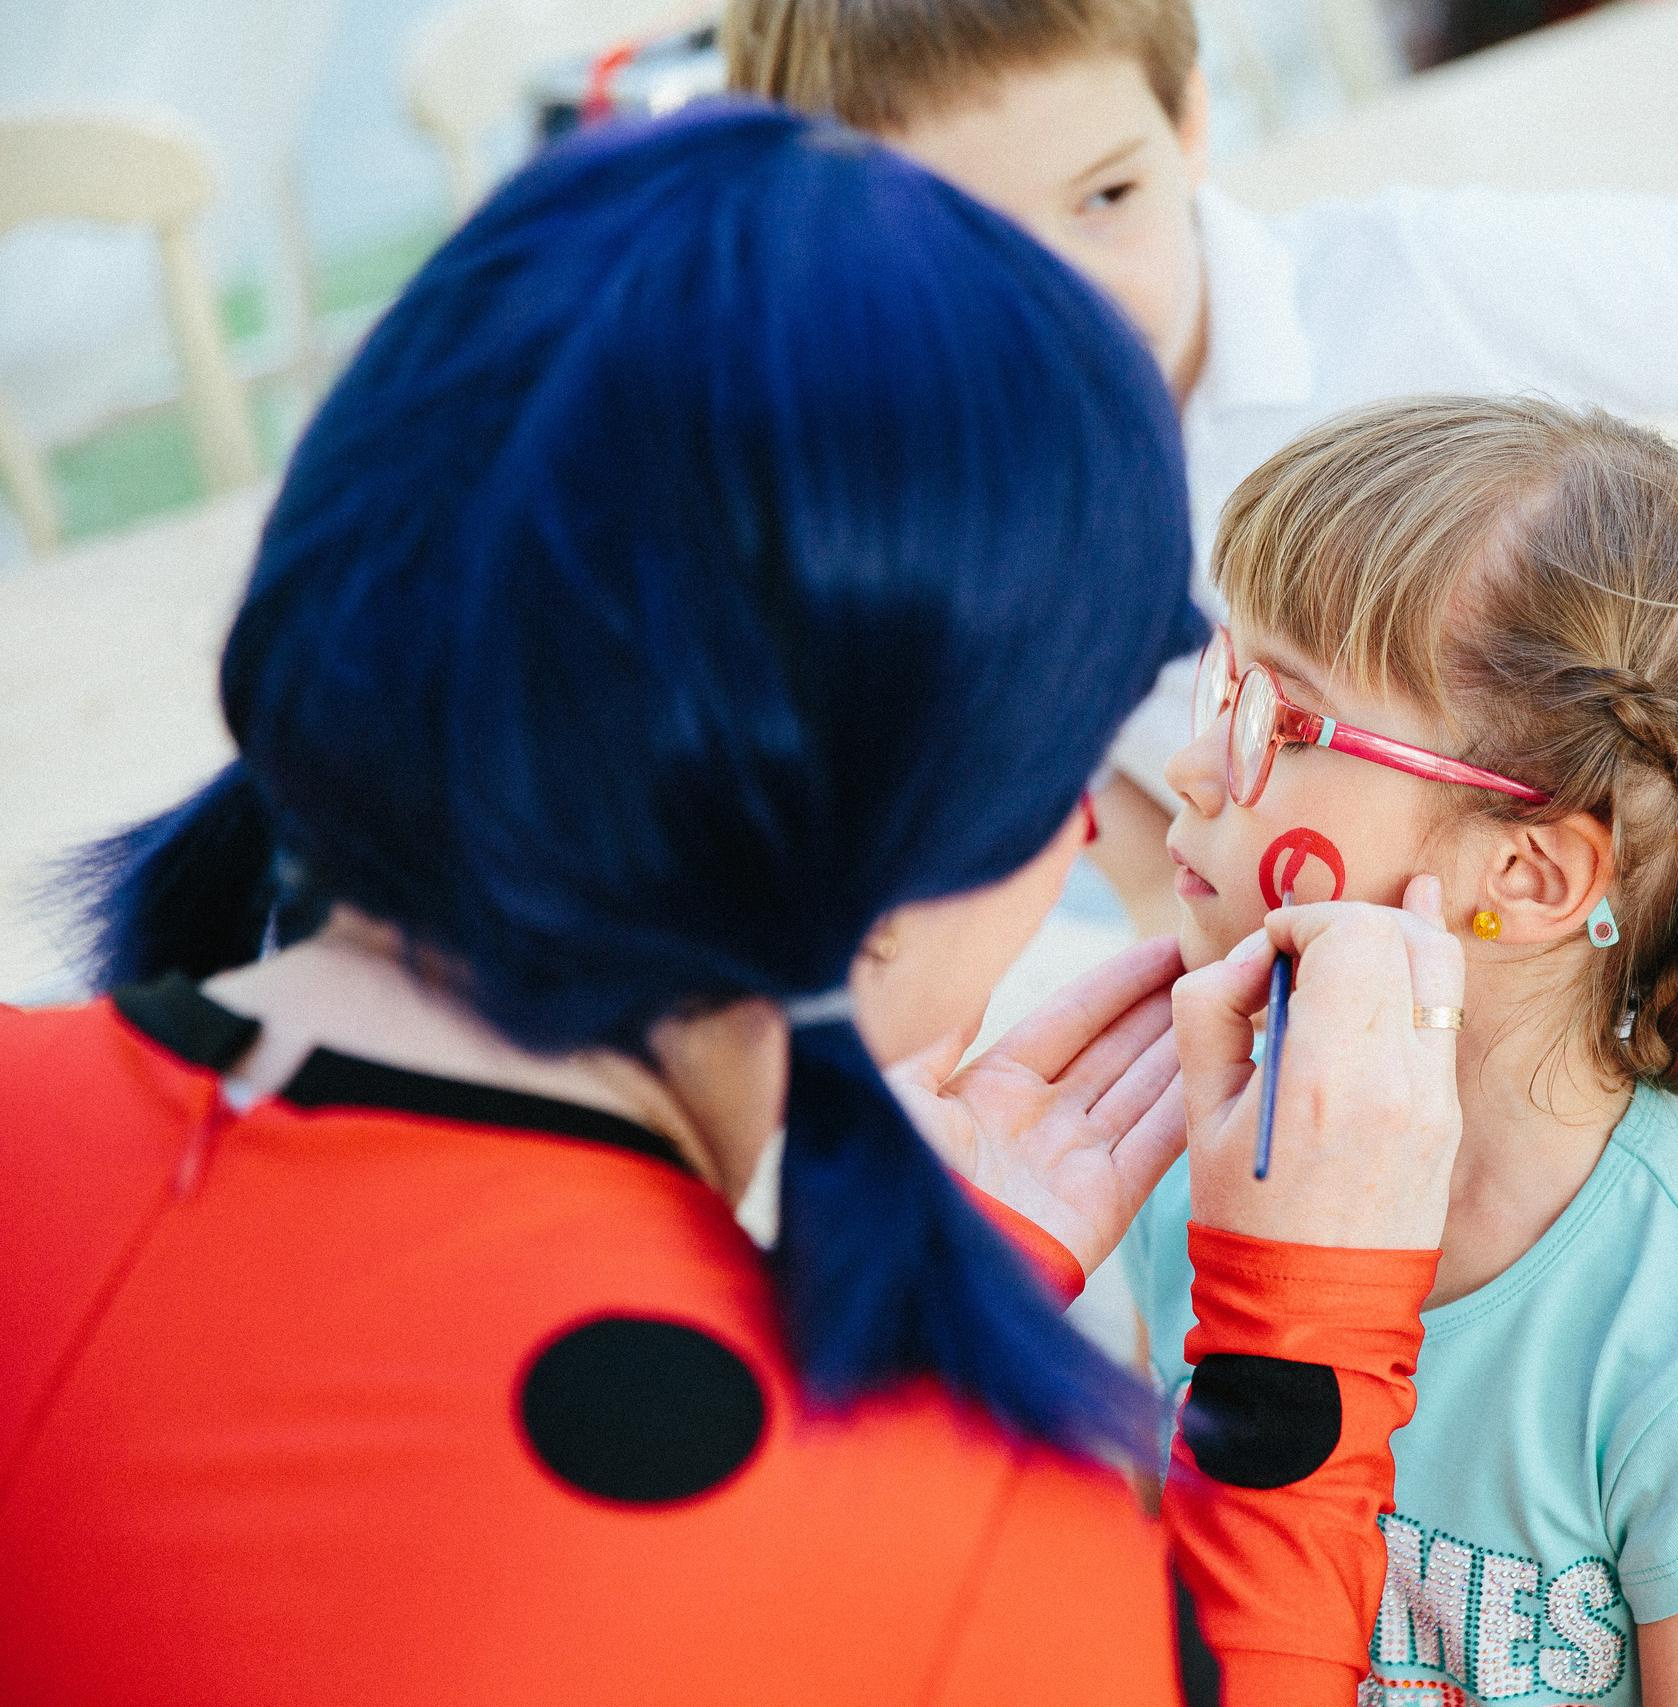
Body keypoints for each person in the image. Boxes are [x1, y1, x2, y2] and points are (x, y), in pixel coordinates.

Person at [0, 103, 1469, 1706]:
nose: (1115, 812)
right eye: (1071, 761)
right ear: (895, 868)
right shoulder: (965, 1569)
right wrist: (1295, 1373)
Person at [725, 4, 1678, 1696]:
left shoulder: (1426, 281)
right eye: (965, 251)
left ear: (1194, 120)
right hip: (1388, 1130)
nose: (1060, 301)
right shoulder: (1200, 1196)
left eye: (1106, 198)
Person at [1133, 393, 1678, 1704]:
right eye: (1220, 683)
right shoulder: (1204, 1166)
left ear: (1524, 869)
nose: (1186, 764)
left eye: (1279, 724)